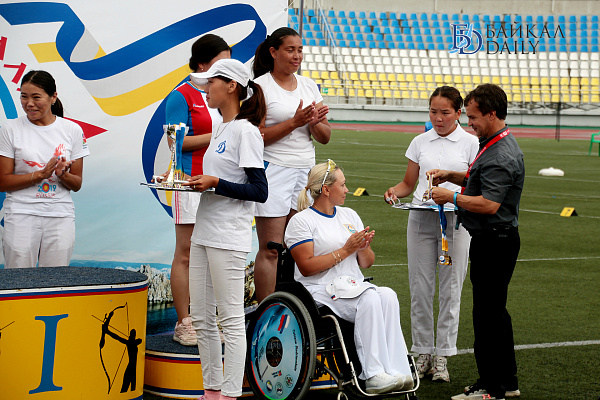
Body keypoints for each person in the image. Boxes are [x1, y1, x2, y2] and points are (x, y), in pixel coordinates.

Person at [285, 160, 414, 395]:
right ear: (326, 190)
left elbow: (366, 262)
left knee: (388, 295)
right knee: (370, 298)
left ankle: (397, 369)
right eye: (343, 185)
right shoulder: (301, 221)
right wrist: (345, 250)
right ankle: (373, 374)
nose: (346, 189)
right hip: (319, 290)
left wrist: (363, 246)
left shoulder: (350, 215)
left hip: (351, 286)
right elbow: (305, 267)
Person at [428, 84, 524, 400]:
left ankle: (491, 386)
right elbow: (477, 179)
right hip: (497, 238)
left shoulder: (500, 152)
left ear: (492, 113)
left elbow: (489, 203)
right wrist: (452, 176)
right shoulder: (494, 142)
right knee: (496, 313)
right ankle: (507, 381)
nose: (470, 124)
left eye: (473, 117)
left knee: (486, 315)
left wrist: (451, 195)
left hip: (494, 240)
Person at [184, 58, 267, 400]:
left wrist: (215, 183)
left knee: (230, 320)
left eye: (211, 83)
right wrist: (196, 183)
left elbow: (259, 191)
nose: (205, 90)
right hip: (204, 232)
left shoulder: (246, 130)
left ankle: (230, 393)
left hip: (228, 236)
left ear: (231, 86)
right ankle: (211, 391)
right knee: (202, 319)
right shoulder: (221, 128)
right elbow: (222, 182)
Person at [384, 86, 479, 382]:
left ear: (458, 113)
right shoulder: (419, 141)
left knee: (452, 288)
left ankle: (443, 357)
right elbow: (407, 184)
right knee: (420, 286)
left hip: (457, 220)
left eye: (445, 113)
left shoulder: (471, 143)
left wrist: (451, 192)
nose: (438, 119)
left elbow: (475, 183)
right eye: (433, 112)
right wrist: (393, 192)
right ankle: (422, 352)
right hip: (420, 219)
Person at [252, 27, 331, 302]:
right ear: (273, 52)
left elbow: (325, 137)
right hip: (274, 169)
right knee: (271, 248)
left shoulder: (309, 85)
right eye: (290, 49)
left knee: (302, 246)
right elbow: (256, 137)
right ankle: (265, 312)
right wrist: (294, 123)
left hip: (306, 172)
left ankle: (301, 307)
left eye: (299, 50)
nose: (296, 56)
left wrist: (313, 122)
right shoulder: (261, 86)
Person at [165, 34, 231, 346]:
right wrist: (218, 134)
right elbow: (175, 145)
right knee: (187, 252)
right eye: (221, 62)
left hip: (222, 182)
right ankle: (184, 322)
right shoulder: (181, 95)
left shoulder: (227, 93)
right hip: (188, 180)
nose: (227, 69)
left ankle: (208, 319)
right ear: (202, 63)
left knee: (216, 251)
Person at [0, 70, 89, 268]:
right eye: (24, 97)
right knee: (19, 282)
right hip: (20, 213)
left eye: (36, 97)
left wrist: (62, 175)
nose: (28, 103)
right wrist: (40, 174)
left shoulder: (72, 130)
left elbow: (77, 184)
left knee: (56, 282)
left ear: (53, 97)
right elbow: (3, 181)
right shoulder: (10, 129)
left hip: (59, 214)